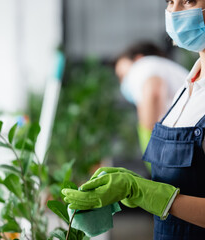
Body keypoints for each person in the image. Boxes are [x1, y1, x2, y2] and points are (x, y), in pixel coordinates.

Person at [63, 0, 205, 239]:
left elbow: (152, 90)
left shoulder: (146, 68)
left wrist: (140, 189)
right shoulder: (187, 86)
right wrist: (130, 185)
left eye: (189, 1)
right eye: (171, 2)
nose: (174, 12)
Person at [115, 42, 189, 156]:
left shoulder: (142, 65)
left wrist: (148, 136)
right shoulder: (165, 67)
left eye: (121, 75)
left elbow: (153, 91)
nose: (122, 82)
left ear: (138, 58)